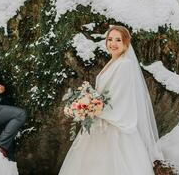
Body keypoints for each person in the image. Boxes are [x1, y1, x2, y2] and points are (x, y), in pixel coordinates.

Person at [59, 25, 163, 174]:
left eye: (118, 40)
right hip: (99, 121)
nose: (113, 43)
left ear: (126, 44)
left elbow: (119, 98)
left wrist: (92, 108)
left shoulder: (125, 65)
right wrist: (85, 103)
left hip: (114, 127)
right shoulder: (113, 62)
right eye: (110, 39)